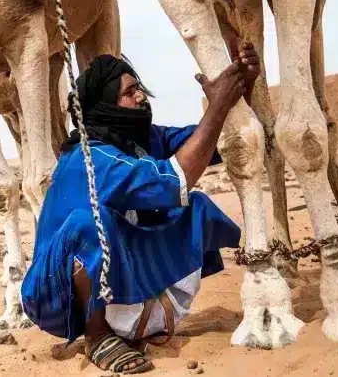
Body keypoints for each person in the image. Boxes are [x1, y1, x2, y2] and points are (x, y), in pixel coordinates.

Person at [21, 45, 262, 374]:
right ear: (104, 104)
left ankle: (139, 322)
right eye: (130, 92)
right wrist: (217, 106)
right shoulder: (91, 158)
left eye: (139, 88)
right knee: (89, 222)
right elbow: (172, 181)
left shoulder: (142, 139)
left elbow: (209, 142)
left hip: (118, 281)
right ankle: (98, 336)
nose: (140, 97)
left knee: (196, 208)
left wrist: (238, 91)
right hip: (55, 295)